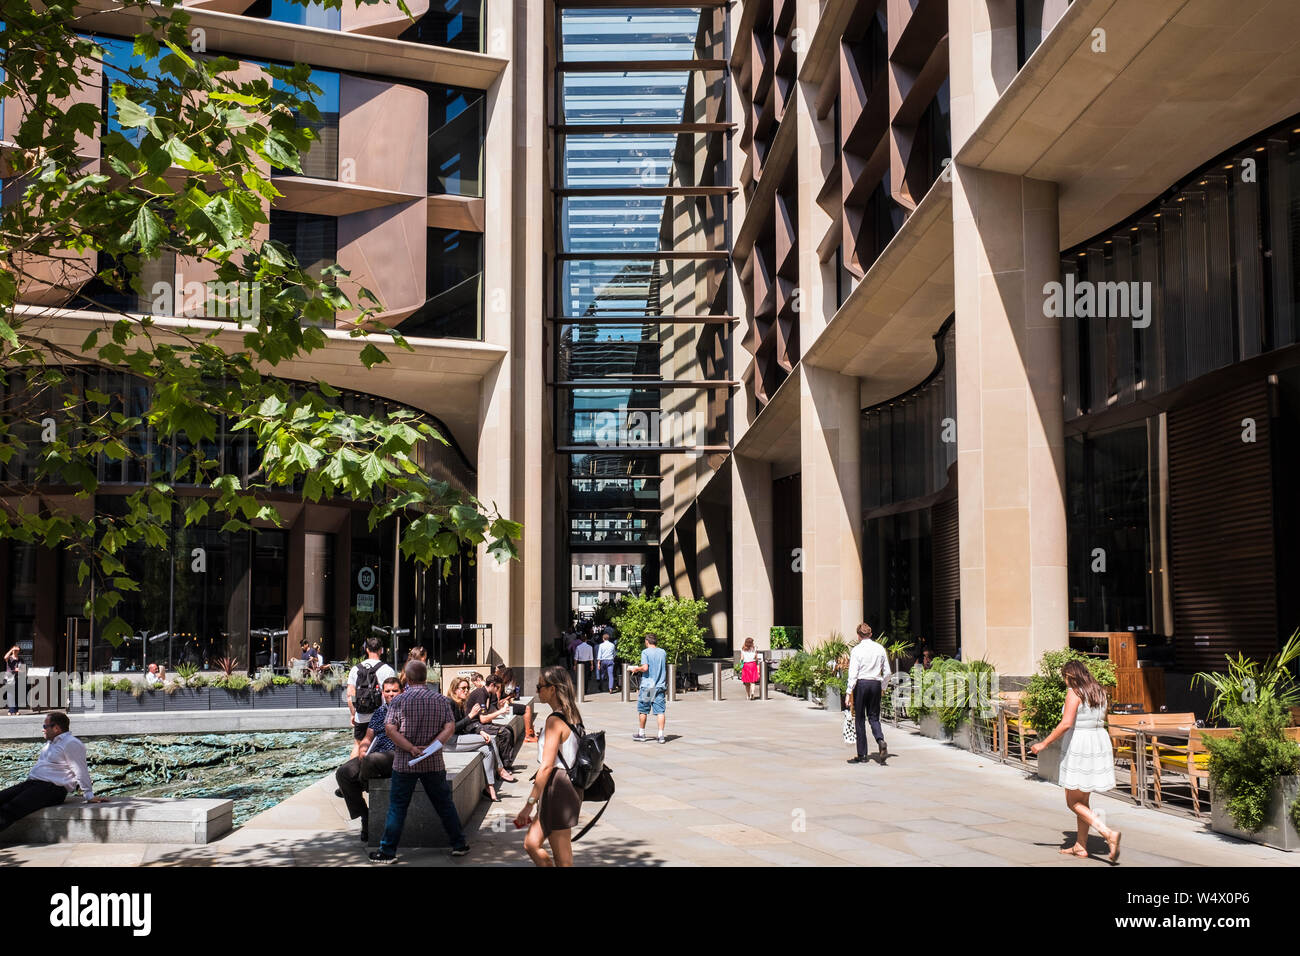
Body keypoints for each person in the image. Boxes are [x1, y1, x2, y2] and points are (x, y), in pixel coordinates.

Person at [370, 659, 469, 863]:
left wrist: (411, 748)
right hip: (433, 763)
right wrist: (432, 746)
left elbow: (390, 729)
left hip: (404, 763)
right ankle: (459, 844)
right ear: (425, 677)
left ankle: (388, 852)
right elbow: (450, 726)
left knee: (397, 807)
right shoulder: (440, 700)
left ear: (407, 677)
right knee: (444, 804)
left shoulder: (398, 701)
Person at [1031, 660, 1122, 862]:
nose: (1065, 682)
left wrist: (1043, 743)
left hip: (1080, 744)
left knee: (1073, 802)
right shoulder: (1099, 690)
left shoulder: (1075, 692)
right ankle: (1080, 846)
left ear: (1070, 676)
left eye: (1065, 677)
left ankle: (1107, 833)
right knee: (1083, 800)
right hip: (1098, 741)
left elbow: (1066, 723)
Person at [514, 666, 584, 867]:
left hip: (559, 788)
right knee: (531, 844)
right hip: (558, 788)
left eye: (540, 687)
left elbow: (546, 767)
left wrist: (528, 805)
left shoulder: (555, 720)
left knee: (563, 860)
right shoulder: (572, 715)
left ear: (553, 689)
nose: (537, 691)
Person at [0, 712, 109, 831]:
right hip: (33, 784)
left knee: (10, 809)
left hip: (52, 789)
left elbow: (80, 769)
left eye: (45, 726)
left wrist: (88, 794)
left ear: (56, 728)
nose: (43, 730)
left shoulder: (71, 743)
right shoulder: (50, 743)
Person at [335, 676, 401, 842]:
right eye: (387, 691)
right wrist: (363, 748)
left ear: (402, 691)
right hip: (373, 753)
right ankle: (366, 816)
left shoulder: (406, 710)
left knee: (371, 761)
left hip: (396, 754)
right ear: (382, 693)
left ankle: (363, 784)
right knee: (343, 772)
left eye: (395, 690)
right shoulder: (379, 712)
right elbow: (368, 736)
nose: (391, 694)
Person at [444, 676, 517, 801]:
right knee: (492, 740)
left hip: (459, 738)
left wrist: (480, 731)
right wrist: (471, 716)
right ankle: (500, 769)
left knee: (487, 749)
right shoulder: (449, 702)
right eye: (463, 688)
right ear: (455, 690)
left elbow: (467, 726)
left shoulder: (460, 702)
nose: (466, 691)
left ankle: (490, 787)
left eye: (467, 688)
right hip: (450, 742)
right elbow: (452, 729)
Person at [846, 623, 890, 764]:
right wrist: (882, 686)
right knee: (874, 717)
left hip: (862, 684)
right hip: (875, 683)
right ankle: (880, 740)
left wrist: (848, 692)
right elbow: (888, 672)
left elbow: (853, 673)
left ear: (858, 636)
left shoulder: (856, 651)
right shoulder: (880, 648)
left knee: (859, 719)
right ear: (870, 634)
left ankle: (862, 755)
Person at [347, 638, 396, 760]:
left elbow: (350, 695)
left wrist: (354, 713)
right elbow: (393, 695)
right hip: (381, 715)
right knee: (383, 747)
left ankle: (353, 773)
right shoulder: (387, 670)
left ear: (367, 649)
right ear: (381, 650)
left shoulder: (355, 669)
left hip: (361, 715)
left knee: (358, 746)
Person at [629, 633, 668, 744]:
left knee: (643, 710)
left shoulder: (645, 652)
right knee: (660, 711)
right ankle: (661, 736)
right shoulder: (663, 652)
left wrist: (637, 669)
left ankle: (641, 733)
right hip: (660, 685)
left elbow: (645, 668)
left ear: (647, 641)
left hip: (648, 686)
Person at [5, 645, 22, 715]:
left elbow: (22, 668)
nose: (16, 651)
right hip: (10, 677)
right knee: (10, 694)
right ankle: (11, 710)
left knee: (17, 694)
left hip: (18, 677)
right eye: (15, 650)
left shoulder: (20, 659)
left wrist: (20, 670)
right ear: (12, 650)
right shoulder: (9, 658)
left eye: (17, 650)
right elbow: (5, 657)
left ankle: (16, 710)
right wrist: (11, 650)